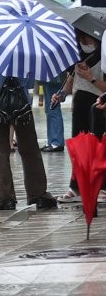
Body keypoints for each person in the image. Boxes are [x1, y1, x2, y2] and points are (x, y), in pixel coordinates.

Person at [0, 59, 57, 212]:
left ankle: (5, 199)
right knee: (30, 149)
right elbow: (28, 82)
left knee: (0, 152)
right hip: (21, 105)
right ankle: (38, 194)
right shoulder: (24, 50)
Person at [52, 34, 106, 201]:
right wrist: (61, 95)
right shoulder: (74, 49)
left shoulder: (103, 51)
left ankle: (103, 187)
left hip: (99, 103)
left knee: (99, 147)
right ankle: (76, 187)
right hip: (80, 101)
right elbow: (70, 80)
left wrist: (90, 77)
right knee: (79, 146)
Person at [41, 72, 66, 152]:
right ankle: (52, 140)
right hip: (49, 76)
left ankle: (56, 141)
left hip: (53, 76)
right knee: (49, 109)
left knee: (53, 108)